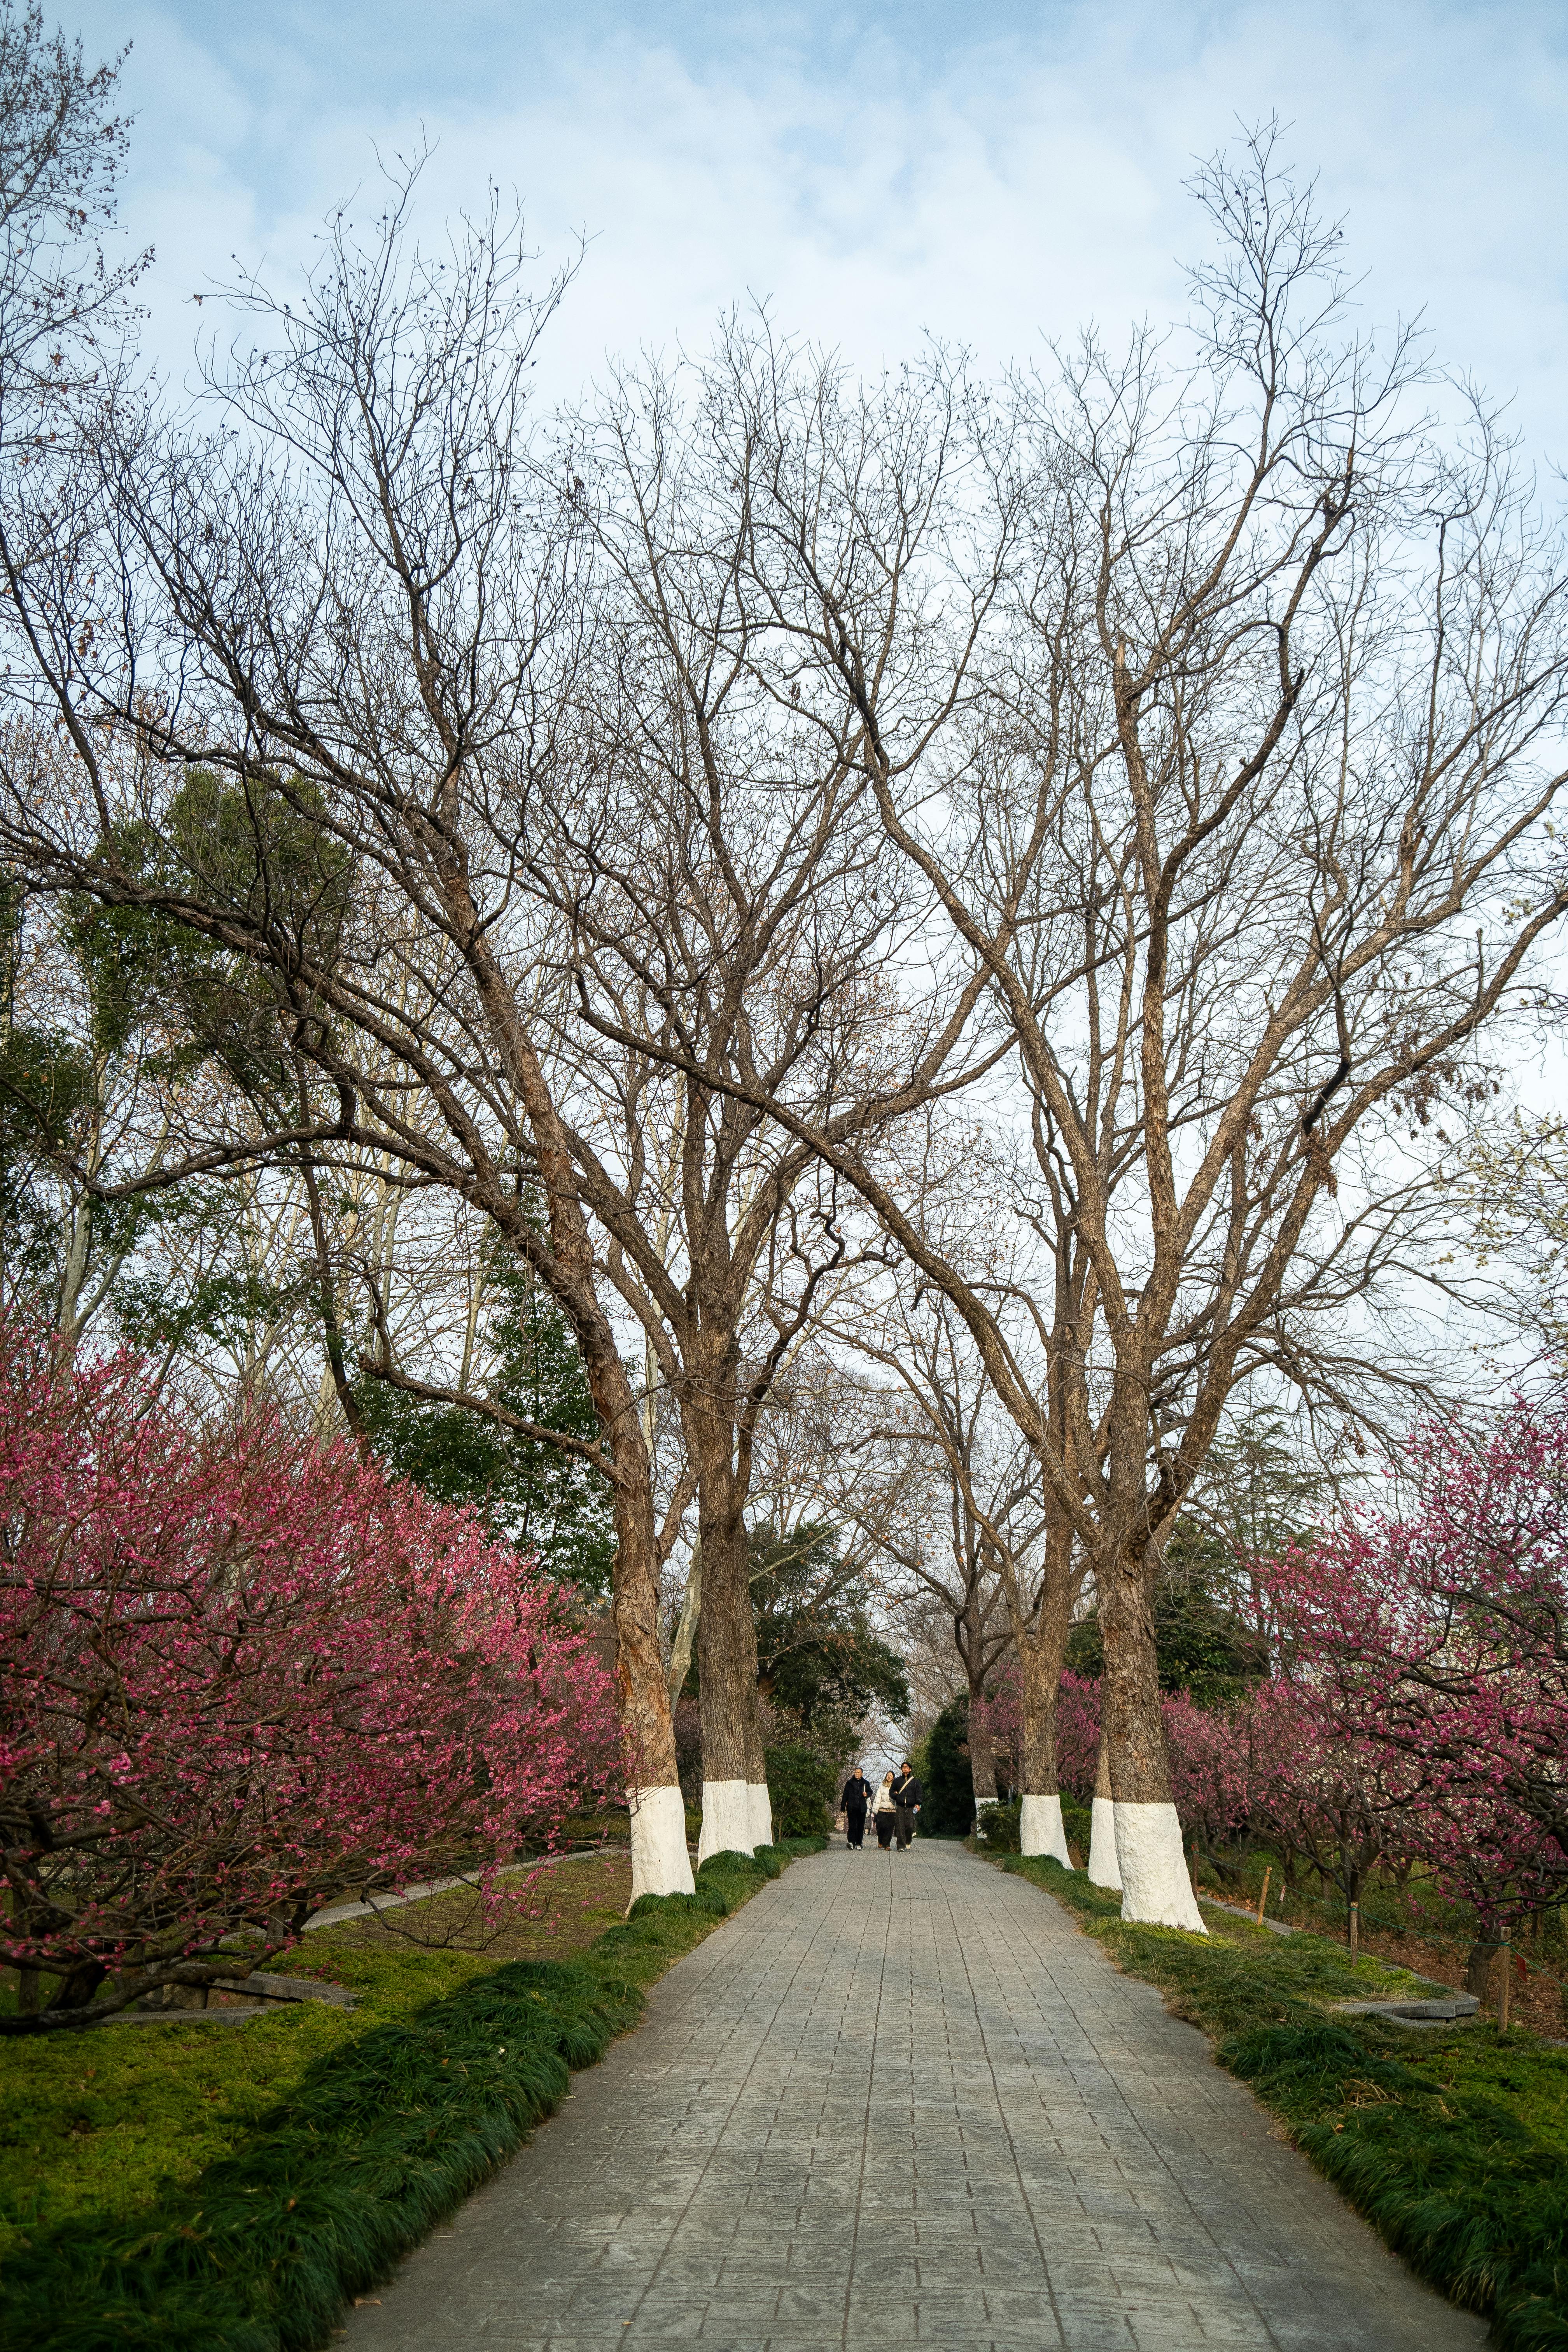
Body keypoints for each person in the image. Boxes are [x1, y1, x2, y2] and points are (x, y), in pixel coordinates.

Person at [890, 1760, 922, 1851]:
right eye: (903, 1767)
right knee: (900, 1826)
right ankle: (901, 1846)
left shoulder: (915, 1781)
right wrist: (896, 1796)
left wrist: (918, 1804)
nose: (905, 1768)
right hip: (900, 1806)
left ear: (910, 1769)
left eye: (907, 1767)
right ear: (901, 1769)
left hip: (911, 1806)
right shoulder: (897, 1781)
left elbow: (919, 1794)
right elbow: (891, 1792)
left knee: (910, 1826)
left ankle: (908, 1840)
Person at [841, 1766, 870, 1850]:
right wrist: (843, 1807)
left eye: (858, 1773)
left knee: (861, 1826)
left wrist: (867, 1794)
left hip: (862, 1809)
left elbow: (870, 1792)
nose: (856, 1774)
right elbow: (845, 1795)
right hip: (852, 1808)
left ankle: (859, 1843)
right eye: (855, 1772)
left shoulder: (866, 1783)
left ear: (862, 1774)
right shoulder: (850, 1783)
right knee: (852, 1825)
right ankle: (851, 1842)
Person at [870, 1771, 898, 1848]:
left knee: (889, 1828)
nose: (889, 1777)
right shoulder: (882, 1786)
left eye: (891, 1775)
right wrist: (875, 1811)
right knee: (881, 1826)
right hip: (882, 1810)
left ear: (893, 1777)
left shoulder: (896, 1786)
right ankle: (881, 1841)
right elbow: (878, 1798)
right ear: (886, 1777)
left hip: (892, 1810)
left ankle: (887, 1845)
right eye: (888, 1775)